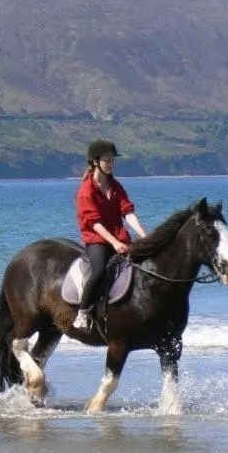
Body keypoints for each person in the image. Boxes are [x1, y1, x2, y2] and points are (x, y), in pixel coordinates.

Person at [72, 140, 146, 331]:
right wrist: (114, 242)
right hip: (97, 240)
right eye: (107, 160)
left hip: (119, 239)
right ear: (95, 162)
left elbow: (127, 212)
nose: (111, 164)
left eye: (113, 160)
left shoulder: (116, 186)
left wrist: (144, 236)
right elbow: (94, 223)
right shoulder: (85, 191)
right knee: (100, 271)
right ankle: (83, 312)